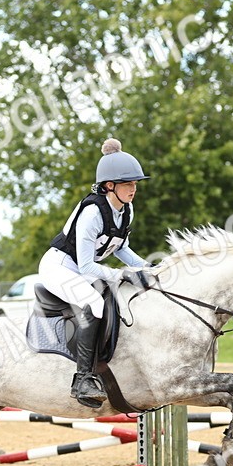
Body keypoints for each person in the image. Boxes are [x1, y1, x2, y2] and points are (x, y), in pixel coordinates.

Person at [38, 138, 155, 408]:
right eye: (128, 183)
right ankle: (82, 378)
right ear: (108, 186)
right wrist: (122, 274)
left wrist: (149, 268)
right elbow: (86, 267)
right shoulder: (92, 212)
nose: (133, 189)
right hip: (60, 266)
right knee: (95, 302)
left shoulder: (126, 210)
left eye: (135, 183)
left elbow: (121, 248)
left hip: (83, 266)